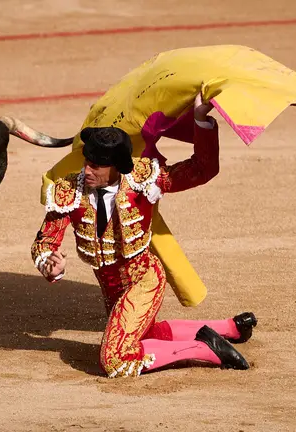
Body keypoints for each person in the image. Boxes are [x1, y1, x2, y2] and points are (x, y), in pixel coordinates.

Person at [30, 94, 257, 378]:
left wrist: (201, 121)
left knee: (114, 360)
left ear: (117, 166)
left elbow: (202, 168)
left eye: (96, 166)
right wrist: (49, 264)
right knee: (149, 332)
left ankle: (204, 348)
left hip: (144, 277)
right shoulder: (69, 191)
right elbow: (44, 242)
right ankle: (228, 328)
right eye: (87, 162)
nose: (86, 170)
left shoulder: (142, 178)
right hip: (110, 287)